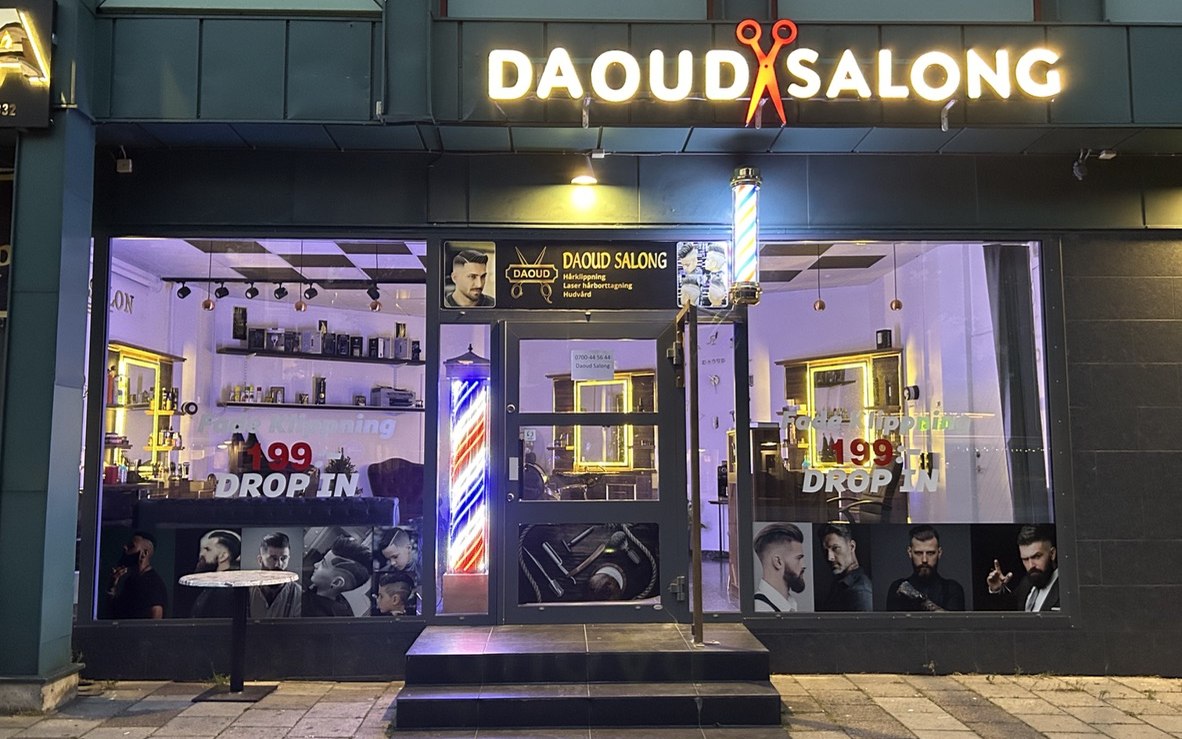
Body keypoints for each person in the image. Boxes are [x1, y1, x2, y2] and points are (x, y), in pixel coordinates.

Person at [886, 525, 965, 612]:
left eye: (930, 553)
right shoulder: (897, 588)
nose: (924, 560)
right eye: (918, 553)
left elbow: (952, 620)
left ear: (939, 553)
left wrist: (917, 598)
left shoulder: (952, 589)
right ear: (910, 552)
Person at [987, 524, 1059, 612]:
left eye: (1037, 556)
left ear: (1052, 554)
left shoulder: (1067, 589)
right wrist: (997, 589)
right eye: (1025, 559)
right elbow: (1009, 612)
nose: (1031, 565)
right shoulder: (1026, 583)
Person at [305, 534, 371, 617]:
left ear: (336, 582)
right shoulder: (340, 603)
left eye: (323, 564)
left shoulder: (315, 615)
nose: (316, 564)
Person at [108, 531, 167, 619]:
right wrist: (112, 586)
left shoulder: (154, 584)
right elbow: (116, 614)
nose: (125, 548)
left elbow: (156, 621)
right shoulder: (131, 581)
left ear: (144, 553)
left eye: (132, 546)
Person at [753, 523, 807, 612]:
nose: (804, 565)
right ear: (778, 562)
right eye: (798, 558)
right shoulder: (761, 609)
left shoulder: (789, 603)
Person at [818, 523, 873, 611]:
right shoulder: (839, 585)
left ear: (852, 546)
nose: (829, 557)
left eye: (835, 548)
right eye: (825, 551)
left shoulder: (860, 592)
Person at [190, 529, 241, 618]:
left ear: (223, 556)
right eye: (201, 549)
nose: (201, 554)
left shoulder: (225, 589)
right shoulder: (214, 586)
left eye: (207, 549)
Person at [249, 532, 301, 618]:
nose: (279, 564)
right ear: (260, 560)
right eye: (273, 558)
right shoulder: (246, 592)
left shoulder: (298, 594)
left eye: (283, 558)